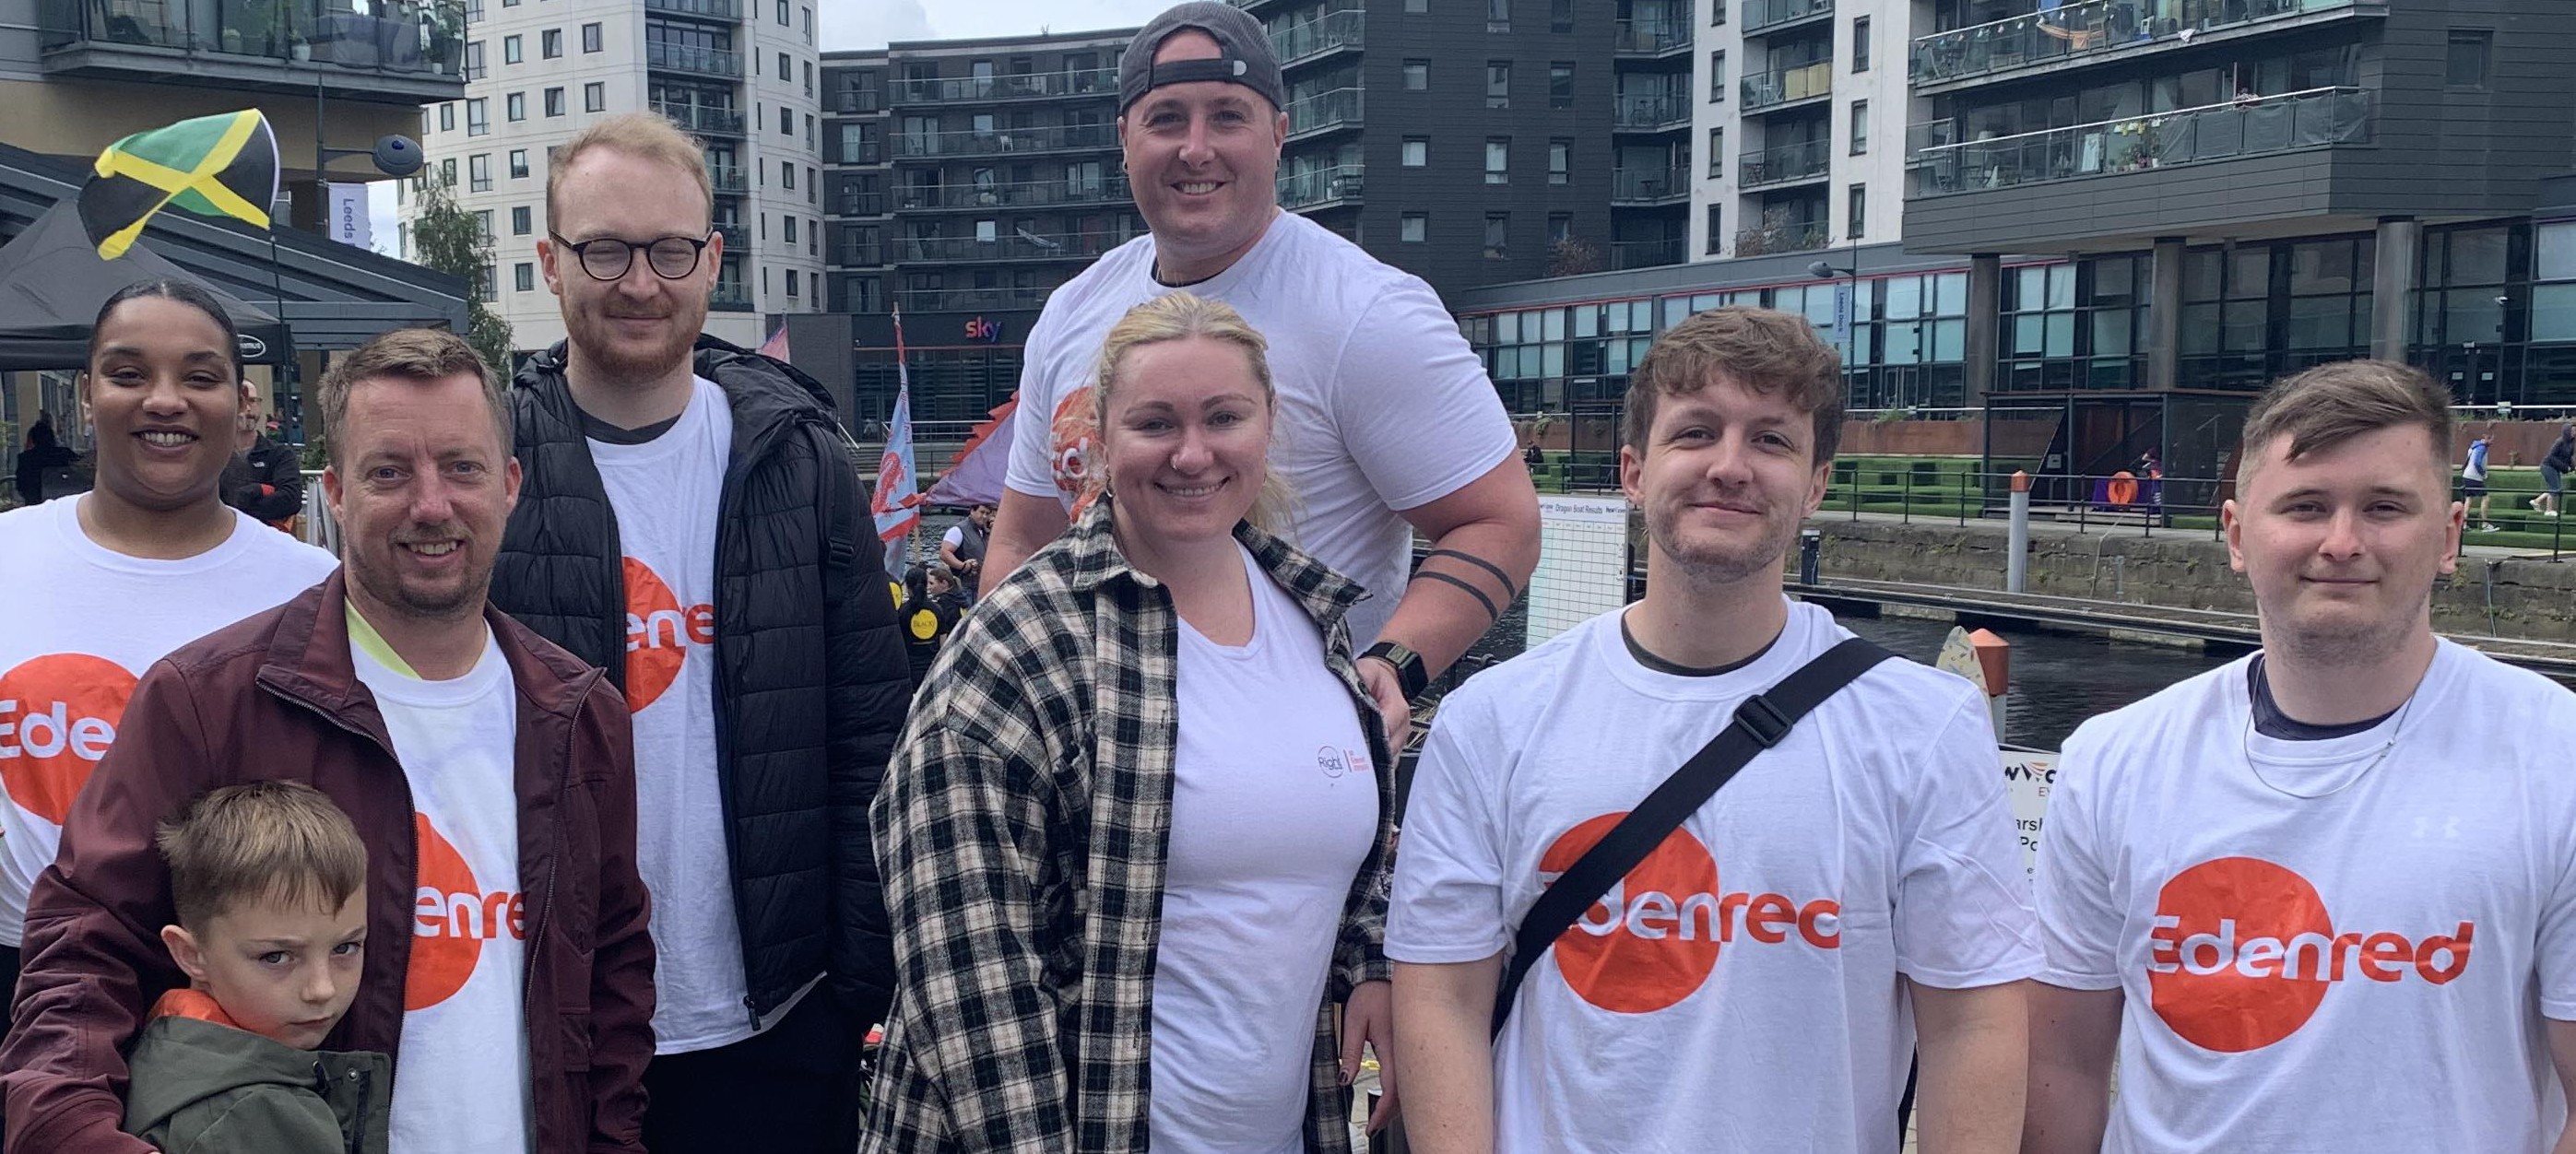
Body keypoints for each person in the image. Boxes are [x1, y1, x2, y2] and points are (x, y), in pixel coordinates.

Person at [1388, 306, 2042, 1154]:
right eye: (1696, 432)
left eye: (1771, 441)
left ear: (1815, 483)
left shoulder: (1924, 726)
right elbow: (1442, 995)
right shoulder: (1496, 717)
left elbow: (1974, 1021)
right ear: (1633, 469)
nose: (1729, 467)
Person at [0, 327, 656, 1154]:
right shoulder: (210, 700)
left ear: (510, 484)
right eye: (389, 472)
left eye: (462, 467)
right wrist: (73, 1131)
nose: (431, 504)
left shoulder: (579, 714)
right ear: (337, 493)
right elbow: (84, 945)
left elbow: (615, 979)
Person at [865, 293, 1398, 1153]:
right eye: (1156, 423)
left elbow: (1340, 844)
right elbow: (967, 974)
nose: (1193, 453)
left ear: (1270, 425)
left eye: (1225, 417)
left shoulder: (1314, 618)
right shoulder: (1020, 643)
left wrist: (1369, 958)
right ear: (1102, 442)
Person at [2023, 360, 2576, 1154]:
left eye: (2384, 507)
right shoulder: (2113, 759)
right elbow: (2062, 1067)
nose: (2342, 542)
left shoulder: (2556, 757)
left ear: (2449, 536)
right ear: (2239, 535)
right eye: (2306, 506)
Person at [493, 112, 913, 1154]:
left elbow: (872, 729)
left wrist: (853, 983)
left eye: (670, 249)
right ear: (549, 261)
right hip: (547, 1017)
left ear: (712, 260)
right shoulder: (488, 466)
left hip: (773, 1017)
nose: (639, 281)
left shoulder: (799, 460)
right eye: (604, 248)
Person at [982, 1, 1540, 737]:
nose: (1196, 148)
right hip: (1097, 747)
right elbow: (1025, 541)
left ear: (1280, 134)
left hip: (1290, 751)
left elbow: (1501, 521)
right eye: (1167, 118)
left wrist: (1393, 663)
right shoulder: (1071, 312)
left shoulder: (1369, 313)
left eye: (1228, 116)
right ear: (1125, 139)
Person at [0, 281, 339, 1042]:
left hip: (243, 1008)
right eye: (128, 374)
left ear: (240, 399)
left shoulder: (309, 589)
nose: (163, 401)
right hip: (20, 977)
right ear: (87, 395)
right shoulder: (7, 559)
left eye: (198, 376)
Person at [122, 781, 387, 1154]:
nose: (322, 989)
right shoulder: (262, 1114)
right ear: (190, 954)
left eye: (345, 947)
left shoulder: (165, 1046)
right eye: (276, 957)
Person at [219, 405, 303, 529]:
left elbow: (291, 499)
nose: (248, 408)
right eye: (242, 401)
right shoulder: (213, 455)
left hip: (268, 540)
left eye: (253, 401)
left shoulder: (280, 454)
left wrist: (252, 494)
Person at [895, 562, 964, 689]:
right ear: (925, 584)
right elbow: (943, 641)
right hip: (932, 667)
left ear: (907, 587)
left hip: (910, 668)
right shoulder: (937, 609)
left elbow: (899, 642)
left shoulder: (902, 611)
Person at [13, 410, 77, 504]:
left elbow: (20, 486)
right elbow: (80, 471)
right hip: (63, 500)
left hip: (35, 502)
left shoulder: (25, 458)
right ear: (52, 437)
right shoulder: (65, 454)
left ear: (34, 439)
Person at [938, 502, 992, 599]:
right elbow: (944, 553)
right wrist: (963, 566)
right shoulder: (958, 530)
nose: (984, 516)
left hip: (981, 585)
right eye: (982, 512)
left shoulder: (986, 531)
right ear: (972, 511)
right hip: (965, 587)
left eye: (987, 514)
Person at [2533, 423, 2571, 517]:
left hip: (2554, 467)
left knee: (2556, 489)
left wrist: (2570, 467)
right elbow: (2551, 456)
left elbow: (2568, 458)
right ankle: (2548, 510)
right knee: (2555, 488)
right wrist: (2565, 467)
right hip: (2548, 466)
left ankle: (2537, 501)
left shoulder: (2569, 443)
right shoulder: (2560, 442)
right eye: (2573, 430)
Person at [2464, 430, 2496, 531]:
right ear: (2486, 438)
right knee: (2485, 498)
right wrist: (2483, 473)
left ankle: (2464, 524)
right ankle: (2485, 524)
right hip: (2475, 476)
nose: (2492, 442)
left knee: (2469, 499)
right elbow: (2477, 463)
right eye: (2491, 439)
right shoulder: (2482, 448)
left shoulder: (2473, 446)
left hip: (2467, 475)